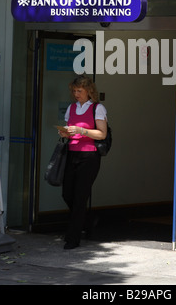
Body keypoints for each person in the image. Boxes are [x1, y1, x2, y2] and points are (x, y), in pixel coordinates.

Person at [59, 75, 107, 250]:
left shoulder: (97, 108)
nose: (76, 94)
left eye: (79, 90)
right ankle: (87, 221)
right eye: (74, 91)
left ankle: (73, 237)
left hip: (89, 156)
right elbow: (69, 130)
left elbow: (102, 134)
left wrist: (81, 130)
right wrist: (66, 133)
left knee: (80, 197)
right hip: (72, 153)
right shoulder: (71, 108)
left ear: (89, 91)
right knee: (67, 193)